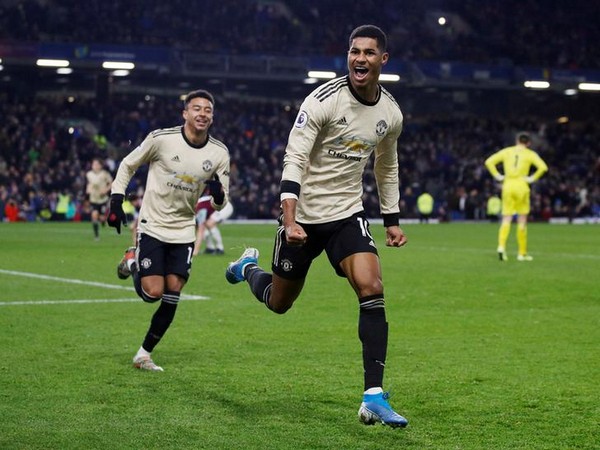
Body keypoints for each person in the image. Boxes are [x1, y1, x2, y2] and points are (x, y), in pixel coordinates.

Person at [225, 25, 408, 428]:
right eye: (354, 51)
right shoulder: (323, 100)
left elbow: (386, 165)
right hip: (303, 218)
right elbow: (295, 158)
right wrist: (289, 219)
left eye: (368, 53)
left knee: (372, 287)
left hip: (346, 214)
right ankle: (246, 270)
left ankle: (372, 395)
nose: (360, 59)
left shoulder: (390, 113)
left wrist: (391, 220)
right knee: (279, 303)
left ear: (383, 60)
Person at [107, 89, 230, 371]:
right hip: (153, 224)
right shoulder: (162, 139)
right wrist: (116, 199)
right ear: (185, 113)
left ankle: (143, 354)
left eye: (208, 110)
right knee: (152, 293)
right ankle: (132, 260)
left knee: (173, 292)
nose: (202, 113)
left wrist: (218, 193)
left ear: (212, 117)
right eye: (196, 108)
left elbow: (221, 204)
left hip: (185, 230)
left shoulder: (219, 153)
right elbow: (128, 164)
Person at [484, 132, 548, 261]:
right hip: (521, 185)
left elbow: (489, 162)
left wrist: (497, 175)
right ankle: (521, 253)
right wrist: (532, 178)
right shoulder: (530, 154)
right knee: (522, 220)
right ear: (528, 143)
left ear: (516, 141)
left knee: (506, 218)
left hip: (507, 185)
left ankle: (501, 246)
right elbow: (543, 167)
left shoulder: (507, 151)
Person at [193, 191, 234, 256]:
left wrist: (195, 251)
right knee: (204, 225)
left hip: (225, 207)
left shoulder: (200, 207)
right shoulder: (197, 205)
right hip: (218, 207)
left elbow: (200, 230)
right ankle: (210, 248)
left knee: (209, 223)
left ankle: (220, 248)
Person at [85, 158, 113, 240]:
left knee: (102, 218)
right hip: (93, 199)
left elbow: (111, 183)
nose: (95, 166)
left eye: (97, 164)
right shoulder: (89, 174)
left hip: (103, 199)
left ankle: (103, 220)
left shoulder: (105, 174)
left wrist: (106, 190)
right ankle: (96, 236)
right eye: (94, 164)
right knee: (94, 215)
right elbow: (89, 184)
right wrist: (88, 189)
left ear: (100, 166)